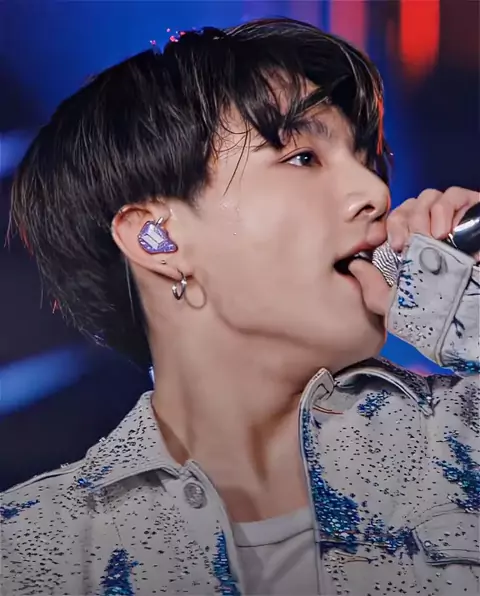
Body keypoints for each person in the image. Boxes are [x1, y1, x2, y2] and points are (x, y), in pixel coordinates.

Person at [1, 17, 479, 596]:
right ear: (159, 238)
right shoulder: (35, 552)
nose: (375, 194)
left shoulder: (459, 439)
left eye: (366, 162)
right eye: (303, 157)